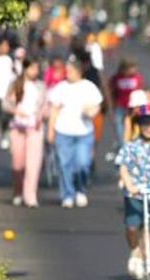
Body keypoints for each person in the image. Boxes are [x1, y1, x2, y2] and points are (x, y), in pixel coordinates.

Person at [115, 104, 150, 280]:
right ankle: (135, 251)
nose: (149, 127)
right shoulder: (130, 147)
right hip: (134, 194)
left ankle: (144, 260)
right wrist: (130, 185)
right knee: (132, 227)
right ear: (139, 125)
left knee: (148, 228)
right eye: (145, 123)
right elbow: (123, 168)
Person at [46, 57, 103, 208]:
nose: (68, 73)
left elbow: (97, 106)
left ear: (78, 72)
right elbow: (54, 110)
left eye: (70, 71)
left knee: (83, 163)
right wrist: (51, 131)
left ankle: (80, 189)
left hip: (84, 132)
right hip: (63, 131)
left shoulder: (89, 87)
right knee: (65, 164)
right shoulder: (61, 88)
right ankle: (67, 194)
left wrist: (91, 111)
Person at [2, 57, 47, 208]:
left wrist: (41, 115)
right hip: (18, 127)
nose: (35, 71)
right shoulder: (16, 84)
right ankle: (18, 191)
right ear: (26, 68)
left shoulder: (41, 86)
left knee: (33, 164)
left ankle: (30, 196)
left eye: (37, 68)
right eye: (32, 68)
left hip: (35, 128)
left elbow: (45, 105)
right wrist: (16, 111)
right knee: (18, 164)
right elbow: (5, 104)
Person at [108, 58, 144, 145]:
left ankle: (130, 143)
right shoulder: (116, 78)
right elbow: (111, 92)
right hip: (120, 106)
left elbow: (140, 92)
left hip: (132, 107)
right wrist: (111, 107)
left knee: (132, 126)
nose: (134, 70)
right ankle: (122, 144)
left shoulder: (137, 78)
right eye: (132, 68)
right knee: (119, 126)